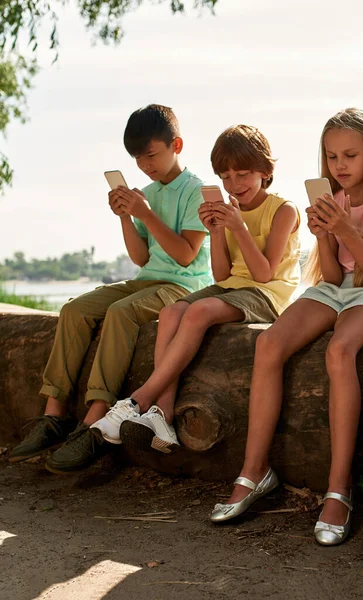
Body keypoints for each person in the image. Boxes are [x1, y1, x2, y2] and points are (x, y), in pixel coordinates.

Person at [211, 108, 363, 547]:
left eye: (350, 155)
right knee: (268, 344)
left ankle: (339, 487)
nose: (339, 165)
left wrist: (347, 230)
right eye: (331, 156)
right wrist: (326, 232)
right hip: (335, 286)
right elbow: (328, 271)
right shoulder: (331, 199)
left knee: (339, 351)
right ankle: (253, 471)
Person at [9, 104, 211, 473]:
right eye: (137, 158)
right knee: (74, 309)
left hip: (185, 287)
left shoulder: (196, 191)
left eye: (151, 155)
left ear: (176, 144)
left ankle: (95, 420)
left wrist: (145, 213)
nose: (145, 165)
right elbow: (139, 257)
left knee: (120, 313)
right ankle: (53, 414)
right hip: (148, 280)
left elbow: (185, 256)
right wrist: (126, 217)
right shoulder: (147, 192)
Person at [95, 124, 301, 453]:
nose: (234, 184)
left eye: (243, 174)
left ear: (265, 170)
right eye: (226, 177)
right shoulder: (228, 209)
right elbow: (220, 275)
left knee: (199, 312)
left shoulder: (284, 210)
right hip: (232, 288)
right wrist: (217, 231)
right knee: (172, 311)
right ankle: (161, 414)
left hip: (268, 294)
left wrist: (238, 227)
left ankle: (138, 401)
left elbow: (263, 274)